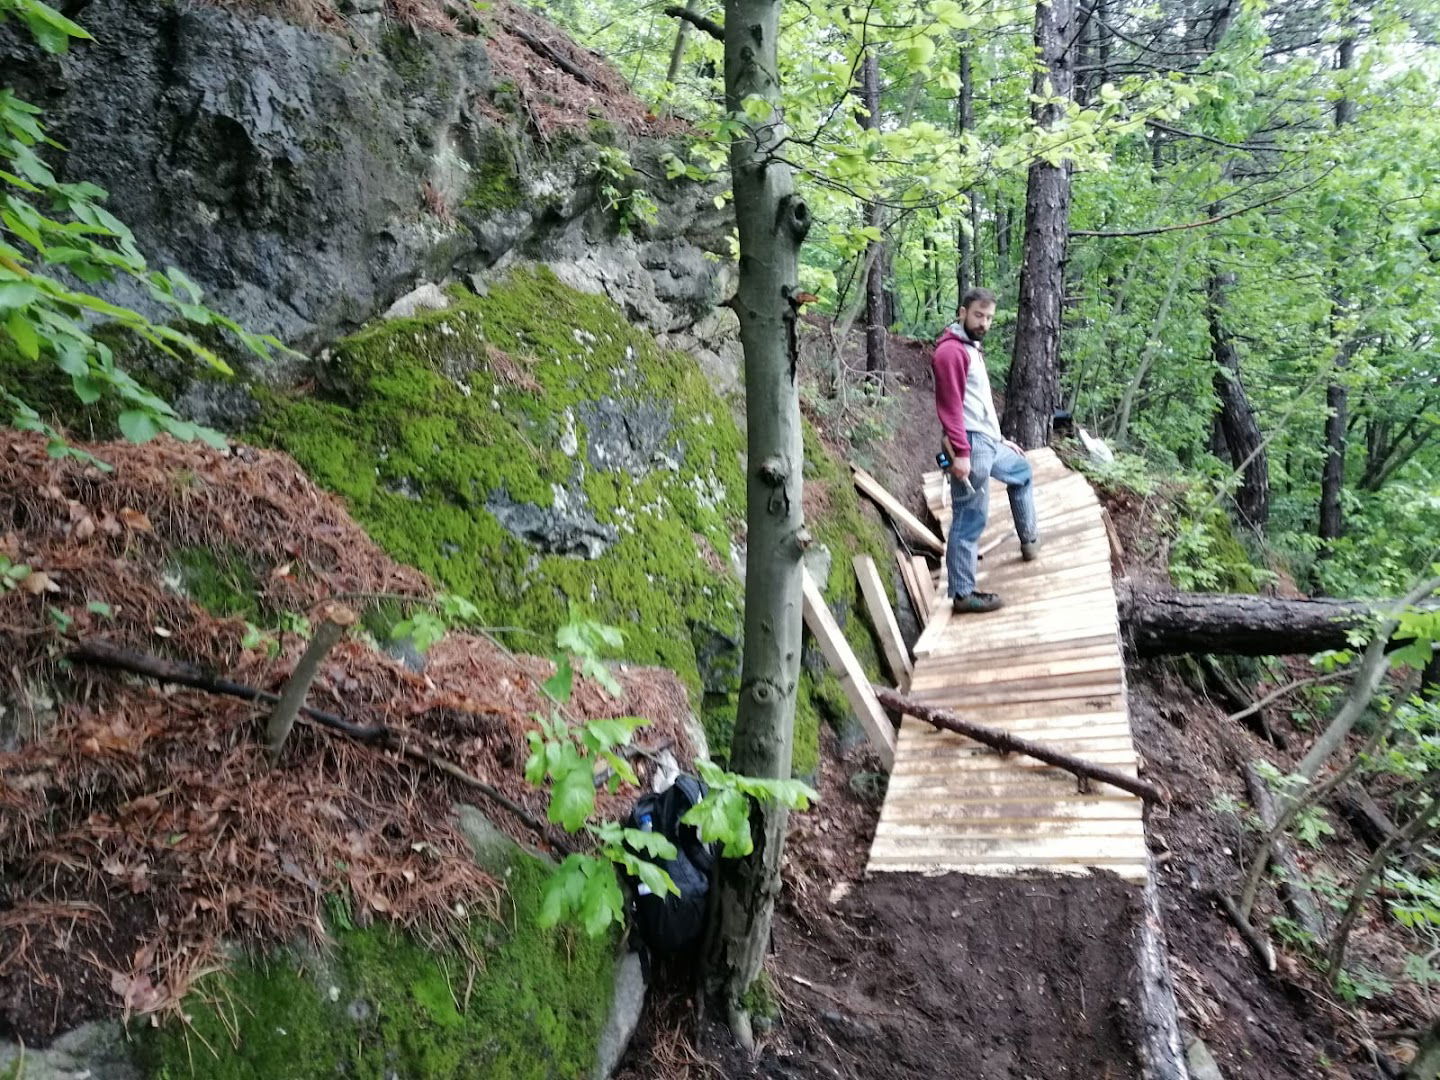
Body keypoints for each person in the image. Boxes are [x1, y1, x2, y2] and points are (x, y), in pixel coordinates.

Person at [932, 287, 1039, 614]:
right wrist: (961, 453)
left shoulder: (970, 348)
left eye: (989, 317)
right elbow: (950, 408)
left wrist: (999, 437)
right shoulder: (951, 352)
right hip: (971, 445)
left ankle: (1029, 540)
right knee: (969, 518)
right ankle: (963, 594)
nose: (984, 322)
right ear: (962, 312)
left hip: (987, 441)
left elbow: (977, 404)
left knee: (1021, 472)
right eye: (978, 314)